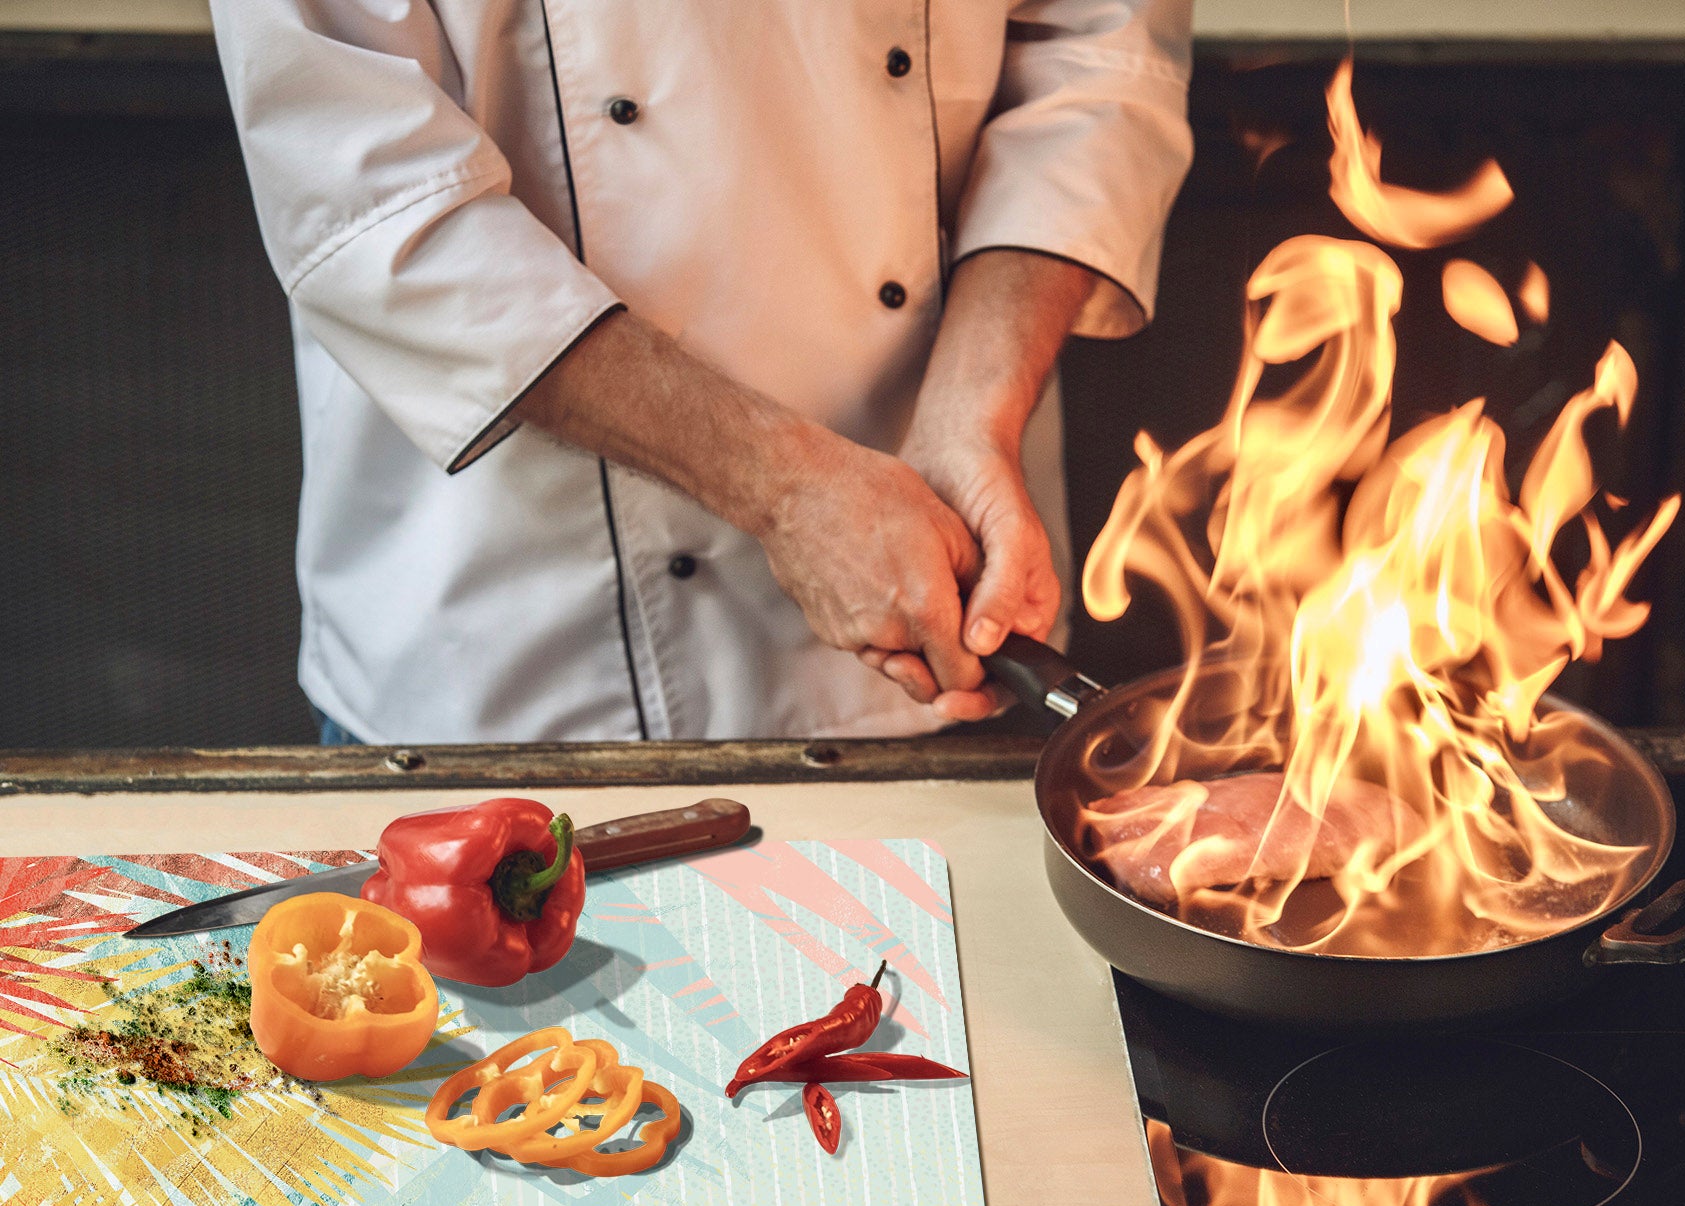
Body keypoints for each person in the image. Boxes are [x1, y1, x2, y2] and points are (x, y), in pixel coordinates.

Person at [210, 1, 1193, 743]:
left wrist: (973, 415)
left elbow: (1097, 60)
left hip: (949, 578)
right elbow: (371, 196)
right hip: (524, 648)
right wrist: (785, 490)